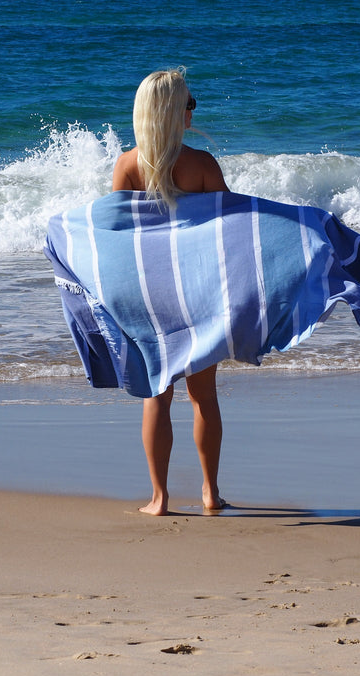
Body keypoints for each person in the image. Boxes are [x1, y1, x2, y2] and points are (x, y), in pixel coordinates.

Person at [111, 68, 230, 516]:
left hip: (149, 294)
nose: (193, 110)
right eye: (189, 103)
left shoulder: (127, 166)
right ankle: (210, 492)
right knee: (204, 397)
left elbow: (116, 240)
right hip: (197, 291)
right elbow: (232, 230)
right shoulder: (203, 166)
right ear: (177, 112)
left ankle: (159, 498)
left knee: (156, 397)